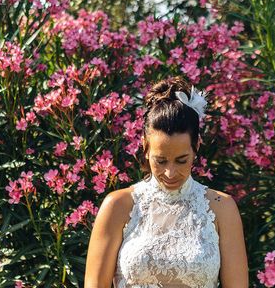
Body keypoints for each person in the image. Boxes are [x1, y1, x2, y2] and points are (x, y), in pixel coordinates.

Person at [84, 76, 249, 287]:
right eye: (160, 161)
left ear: (197, 145)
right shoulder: (118, 206)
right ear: (145, 147)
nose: (170, 173)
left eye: (181, 160)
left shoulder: (222, 208)